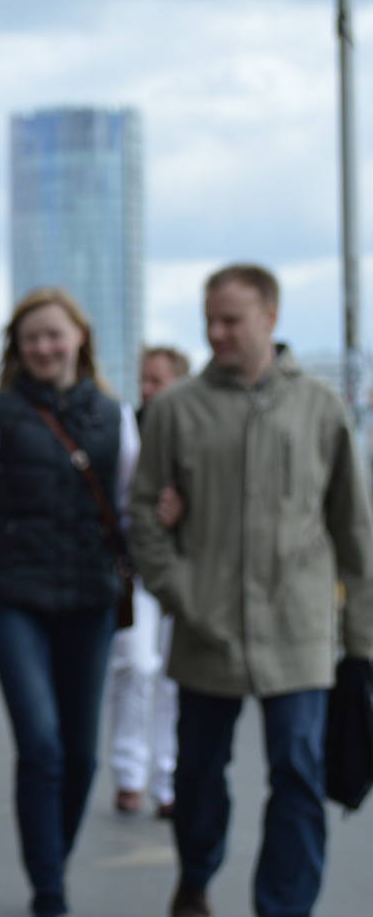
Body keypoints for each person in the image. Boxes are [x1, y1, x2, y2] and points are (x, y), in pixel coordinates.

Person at [131, 265, 373, 917]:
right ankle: (196, 875)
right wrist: (182, 593)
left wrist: (362, 644)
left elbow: (354, 529)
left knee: (298, 777)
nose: (216, 332)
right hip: (206, 628)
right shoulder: (176, 409)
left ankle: (284, 909)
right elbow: (144, 515)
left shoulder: (319, 406)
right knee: (199, 777)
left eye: (231, 320)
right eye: (209, 319)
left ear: (270, 316)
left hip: (297, 634)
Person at [0, 288, 139, 917]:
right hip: (16, 597)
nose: (44, 348)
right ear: (18, 349)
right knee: (41, 745)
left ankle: (52, 858)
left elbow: (129, 513)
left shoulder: (114, 416)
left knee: (81, 755)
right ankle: (50, 892)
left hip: (89, 600)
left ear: (80, 338)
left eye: (55, 335)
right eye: (31, 338)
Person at [107, 345, 190, 818]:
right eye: (143, 380)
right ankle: (128, 771)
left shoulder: (197, 429)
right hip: (136, 568)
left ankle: (168, 778)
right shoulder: (127, 428)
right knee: (136, 666)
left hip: (184, 569)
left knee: (175, 678)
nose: (146, 389)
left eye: (157, 380)